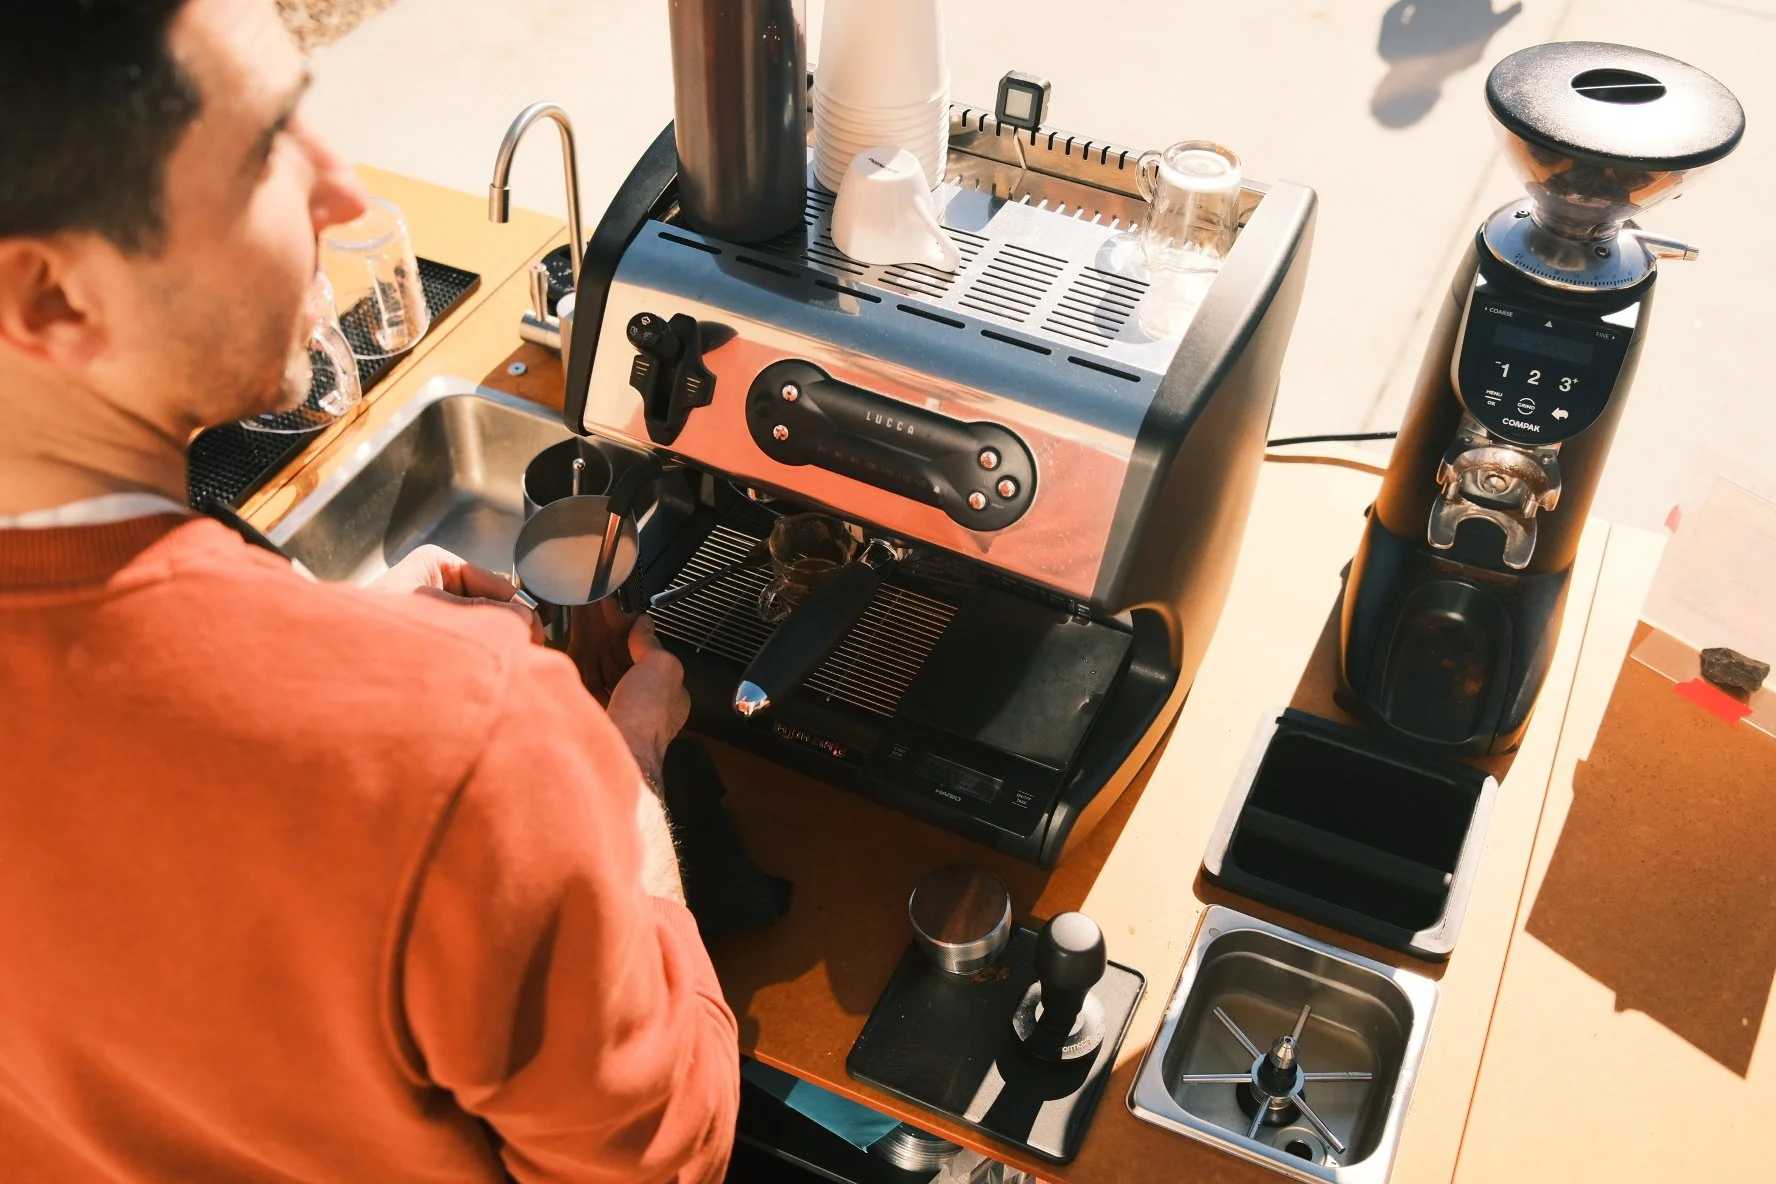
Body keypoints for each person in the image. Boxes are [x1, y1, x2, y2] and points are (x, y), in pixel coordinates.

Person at [0, 2, 739, 1180]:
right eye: (265, 149)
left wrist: (319, 651)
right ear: (51, 296)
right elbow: (669, 1151)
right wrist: (623, 781)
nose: (342, 190)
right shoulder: (472, 740)